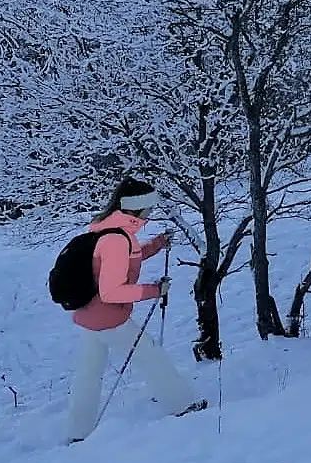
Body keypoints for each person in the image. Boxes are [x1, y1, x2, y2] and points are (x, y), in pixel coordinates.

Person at [66, 176, 206, 443]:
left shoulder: (104, 228)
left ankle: (77, 432)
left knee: (88, 376)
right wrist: (154, 290)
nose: (151, 213)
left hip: (88, 314)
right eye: (149, 207)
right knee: (153, 358)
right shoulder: (117, 239)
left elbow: (123, 259)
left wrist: (156, 244)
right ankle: (183, 405)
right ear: (138, 207)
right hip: (109, 318)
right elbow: (111, 292)